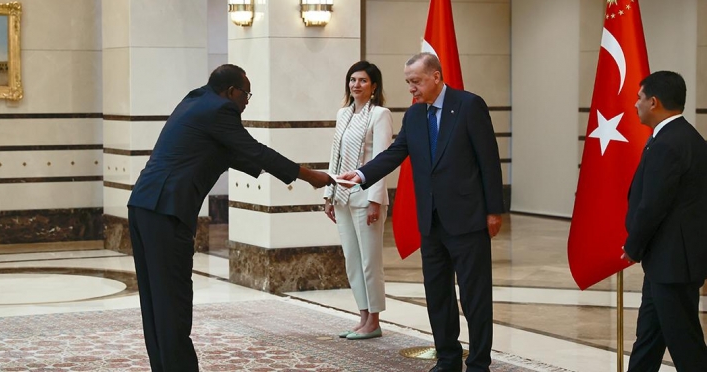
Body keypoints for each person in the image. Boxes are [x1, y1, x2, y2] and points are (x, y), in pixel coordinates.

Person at [126, 64, 333, 372]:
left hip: (143, 205)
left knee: (156, 300)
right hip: (166, 211)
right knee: (173, 301)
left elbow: (235, 155)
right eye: (246, 95)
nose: (247, 102)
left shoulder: (195, 99)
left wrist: (291, 173)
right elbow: (255, 150)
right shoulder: (221, 110)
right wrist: (309, 176)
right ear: (232, 91)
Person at [338, 53, 504, 372]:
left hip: (468, 218)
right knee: (438, 295)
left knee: (475, 297)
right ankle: (448, 359)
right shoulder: (415, 115)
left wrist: (494, 210)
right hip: (431, 220)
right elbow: (395, 153)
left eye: (415, 81)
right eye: (408, 82)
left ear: (436, 77)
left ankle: (479, 363)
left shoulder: (469, 105)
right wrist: (360, 174)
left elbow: (489, 160)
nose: (411, 88)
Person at [622, 71, 707, 372]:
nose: (636, 104)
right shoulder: (685, 137)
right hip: (666, 262)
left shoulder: (669, 143)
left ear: (654, 102)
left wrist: (633, 246)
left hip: (673, 264)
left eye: (639, 98)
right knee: (648, 338)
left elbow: (653, 205)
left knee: (685, 344)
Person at [323, 61, 393, 340]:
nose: (356, 85)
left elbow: (382, 160)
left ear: (373, 86)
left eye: (363, 80)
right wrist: (328, 194)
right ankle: (363, 316)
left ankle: (374, 321)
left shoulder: (380, 114)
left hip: (366, 198)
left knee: (369, 262)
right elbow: (335, 156)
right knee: (352, 260)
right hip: (342, 197)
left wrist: (375, 200)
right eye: (352, 80)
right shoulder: (343, 114)